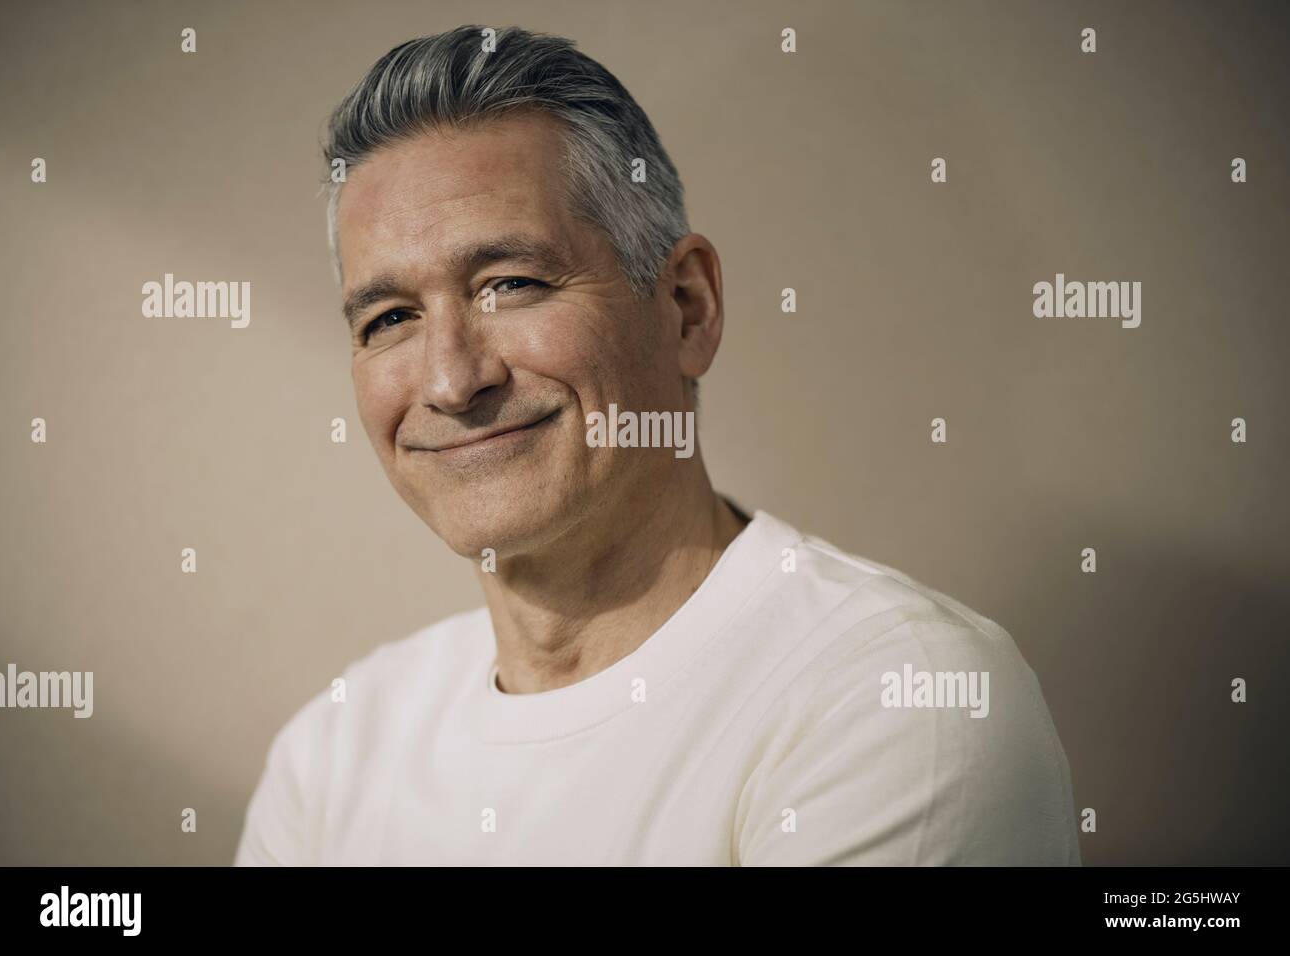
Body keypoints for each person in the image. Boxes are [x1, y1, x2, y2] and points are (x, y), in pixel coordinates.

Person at [234, 24, 1080, 866]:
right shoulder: (332, 754)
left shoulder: (900, 698)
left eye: (512, 284)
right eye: (389, 320)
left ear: (687, 307)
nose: (452, 381)